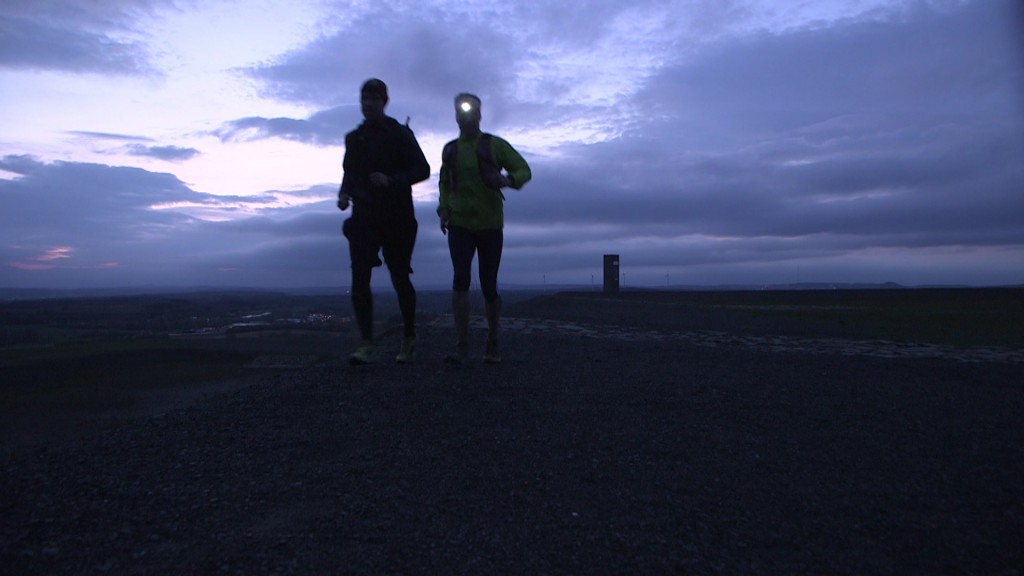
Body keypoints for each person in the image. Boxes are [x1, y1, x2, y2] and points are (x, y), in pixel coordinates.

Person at [338, 78, 430, 365]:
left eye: (374, 99)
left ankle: (409, 337)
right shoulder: (354, 138)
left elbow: (423, 169)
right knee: (359, 279)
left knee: (399, 277)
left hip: (397, 216)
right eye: (364, 98)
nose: (368, 104)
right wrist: (343, 193)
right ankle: (365, 343)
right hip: (364, 217)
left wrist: (392, 180)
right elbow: (349, 172)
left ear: (384, 102)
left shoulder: (399, 133)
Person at [437, 92, 532, 364]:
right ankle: (462, 341)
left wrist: (509, 179)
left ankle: (492, 339)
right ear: (456, 116)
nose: (466, 116)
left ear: (480, 115)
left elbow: (524, 170)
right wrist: (443, 209)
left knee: (489, 284)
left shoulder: (495, 145)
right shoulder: (450, 149)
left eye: (471, 112)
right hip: (460, 224)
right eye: (461, 112)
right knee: (460, 279)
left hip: (490, 224)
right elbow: (445, 182)